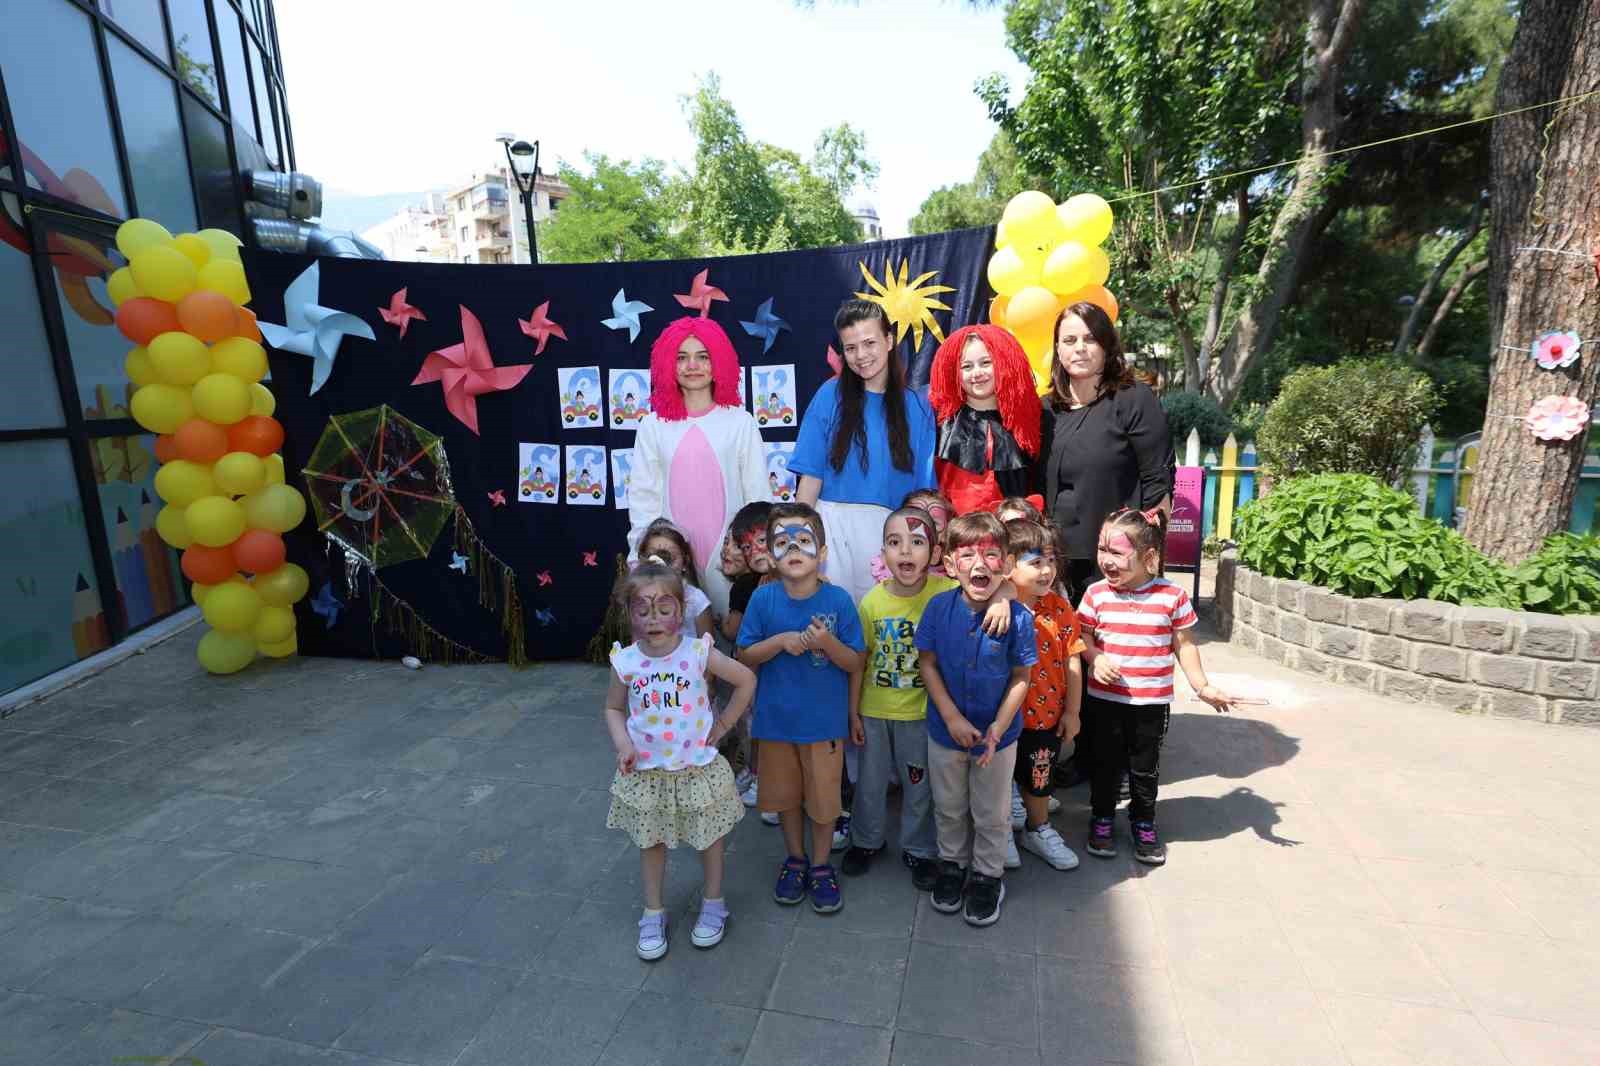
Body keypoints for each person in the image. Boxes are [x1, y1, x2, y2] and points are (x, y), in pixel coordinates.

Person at [1039, 302, 1174, 791]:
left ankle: (1115, 765)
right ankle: (1074, 752)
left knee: (1115, 657)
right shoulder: (1046, 408)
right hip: (1059, 559)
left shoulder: (1132, 399)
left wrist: (1143, 558)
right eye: (1069, 339)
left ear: (1106, 346)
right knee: (1071, 657)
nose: (1079, 349)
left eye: (1088, 339)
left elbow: (1159, 481)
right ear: (1056, 348)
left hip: (1115, 563)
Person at [603, 562, 755, 960]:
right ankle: (653, 911)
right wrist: (623, 744)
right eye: (643, 609)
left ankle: (714, 902)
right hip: (648, 772)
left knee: (709, 838)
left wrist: (722, 725)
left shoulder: (697, 653)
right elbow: (614, 710)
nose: (654, 619)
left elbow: (745, 680)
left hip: (696, 769)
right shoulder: (626, 663)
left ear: (681, 609)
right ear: (629, 612)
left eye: (664, 609)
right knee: (650, 841)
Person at [1078, 508, 1236, 866]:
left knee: (1144, 767)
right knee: (1104, 763)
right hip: (1104, 701)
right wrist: (1094, 657)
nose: (1106, 560)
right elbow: (1082, 636)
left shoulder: (1171, 596)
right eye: (1103, 549)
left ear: (1149, 557)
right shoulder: (1095, 594)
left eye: (1116, 552)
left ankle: (1143, 820)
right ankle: (1101, 816)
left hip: (1151, 703)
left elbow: (1185, 643)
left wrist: (1202, 685)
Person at [737, 502, 866, 914]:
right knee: (788, 798)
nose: (793, 547)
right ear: (771, 554)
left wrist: (827, 644)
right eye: (782, 541)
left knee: (825, 800)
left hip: (824, 725)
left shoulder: (840, 600)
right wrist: (779, 642)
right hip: (776, 724)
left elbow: (854, 662)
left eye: (804, 540)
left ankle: (823, 864)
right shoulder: (763, 600)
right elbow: (743, 657)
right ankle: (795, 858)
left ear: (822, 552)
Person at [915, 512, 1036, 927]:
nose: (979, 564)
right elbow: (927, 664)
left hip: (997, 739)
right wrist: (949, 716)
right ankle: (952, 864)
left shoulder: (1018, 618)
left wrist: (998, 728)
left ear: (1004, 563)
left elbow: (1022, 677)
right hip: (943, 734)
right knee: (948, 806)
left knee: (991, 811)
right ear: (950, 564)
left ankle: (987, 875)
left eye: (990, 555)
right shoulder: (937, 608)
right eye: (967, 555)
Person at [791, 300, 937, 602]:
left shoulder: (919, 407)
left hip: (892, 534)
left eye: (869, 343)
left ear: (889, 340)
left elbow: (923, 491)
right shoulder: (829, 395)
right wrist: (800, 541)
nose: (861, 356)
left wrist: (916, 543)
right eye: (851, 348)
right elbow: (810, 479)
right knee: (834, 630)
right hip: (831, 529)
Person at [628, 317, 769, 614]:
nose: (692, 365)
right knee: (678, 639)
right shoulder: (652, 426)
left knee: (737, 639)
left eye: (703, 356)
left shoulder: (740, 422)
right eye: (682, 357)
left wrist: (753, 549)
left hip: (730, 556)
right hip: (670, 560)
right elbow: (643, 497)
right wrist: (643, 555)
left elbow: (757, 495)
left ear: (720, 361)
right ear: (668, 363)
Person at [841, 506, 949, 887]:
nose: (905, 551)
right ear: (883, 553)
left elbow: (997, 586)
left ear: (935, 555)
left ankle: (919, 850)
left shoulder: (946, 593)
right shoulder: (871, 602)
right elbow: (859, 661)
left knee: (919, 785)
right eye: (895, 542)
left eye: (917, 542)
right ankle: (865, 841)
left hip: (921, 716)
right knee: (869, 784)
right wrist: (853, 713)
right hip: (874, 712)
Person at [1003, 518, 1084, 871]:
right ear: (1007, 564)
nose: (1046, 570)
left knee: (1040, 778)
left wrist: (1072, 712)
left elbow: (1073, 660)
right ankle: (1000, 831)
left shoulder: (1059, 607)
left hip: (1045, 717)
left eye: (1051, 560)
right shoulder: (996, 606)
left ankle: (1038, 830)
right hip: (1001, 718)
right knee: (999, 780)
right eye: (1035, 561)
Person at [929, 325, 1044, 516]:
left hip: (1012, 537)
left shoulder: (1027, 424)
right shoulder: (940, 423)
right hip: (956, 537)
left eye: (985, 363)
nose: (977, 373)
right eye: (966, 366)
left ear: (1003, 363)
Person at [637, 518, 712, 638]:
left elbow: (708, 649)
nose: (662, 565)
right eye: (654, 558)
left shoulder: (696, 601)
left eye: (669, 558)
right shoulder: (638, 599)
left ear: (684, 562)